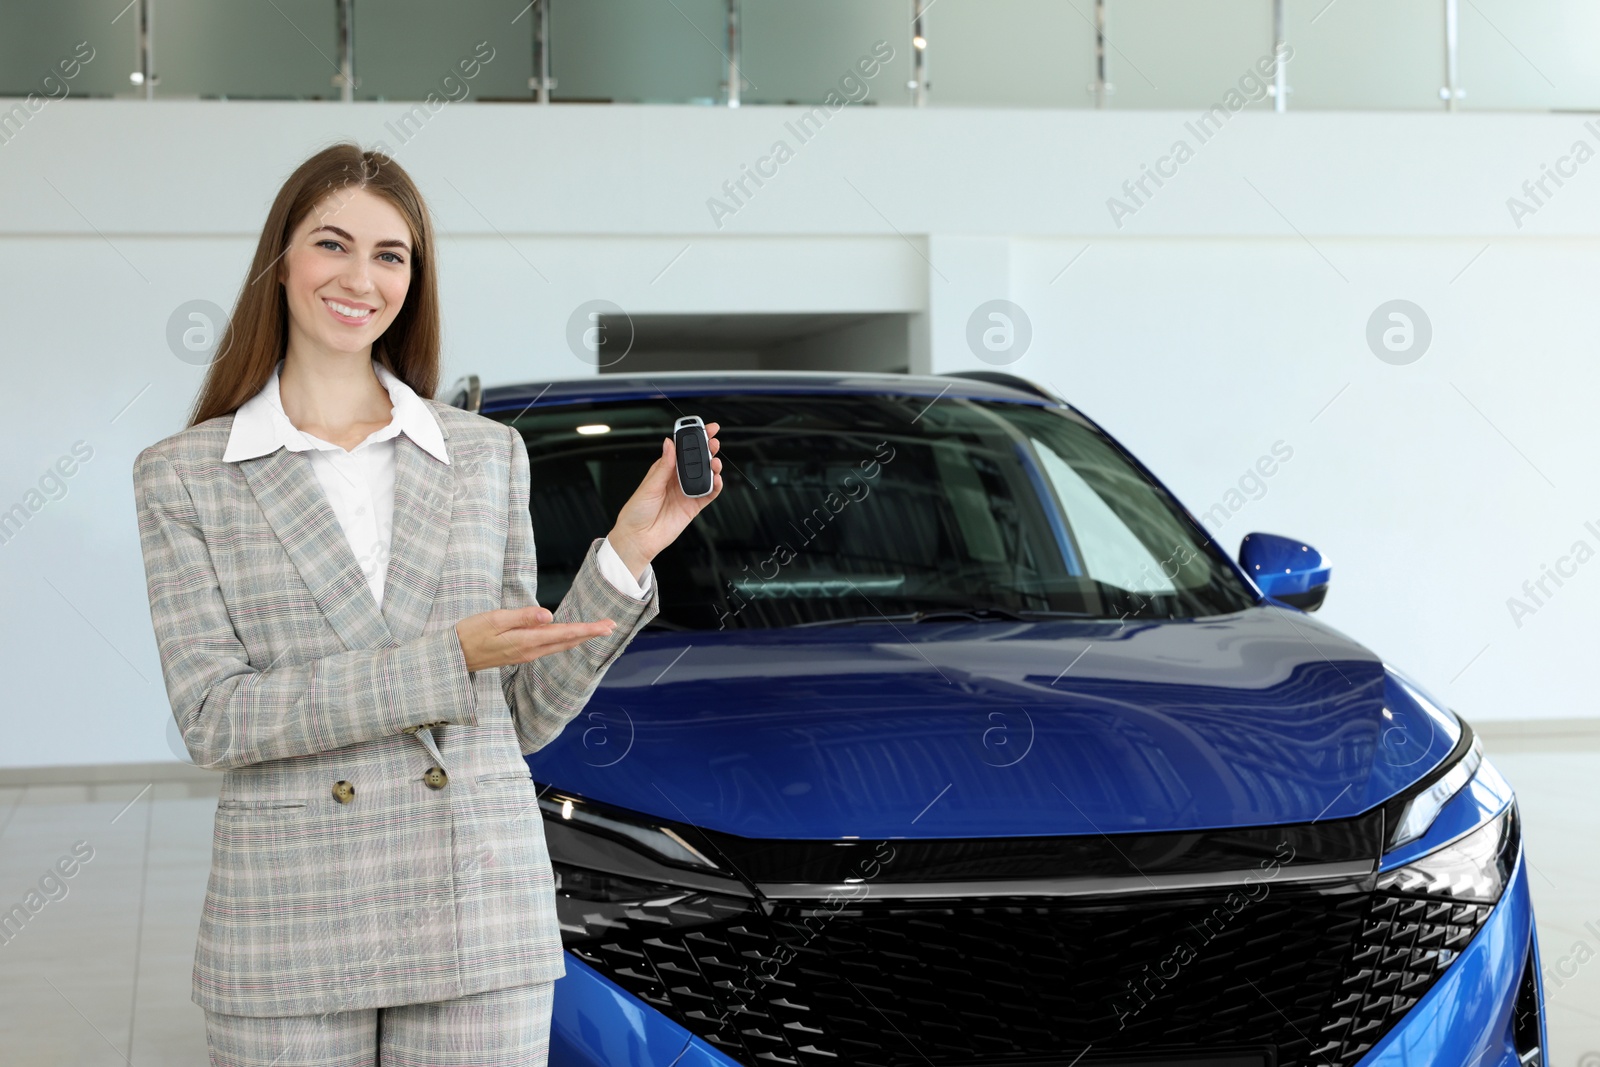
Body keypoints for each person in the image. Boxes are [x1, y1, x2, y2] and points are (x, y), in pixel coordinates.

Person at [131, 141, 721, 1066]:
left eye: (390, 254)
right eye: (332, 243)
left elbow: (520, 715)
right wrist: (444, 662)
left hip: (476, 910)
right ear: (280, 260)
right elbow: (214, 717)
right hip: (288, 923)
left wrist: (630, 548)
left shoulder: (487, 455)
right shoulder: (185, 474)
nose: (359, 277)